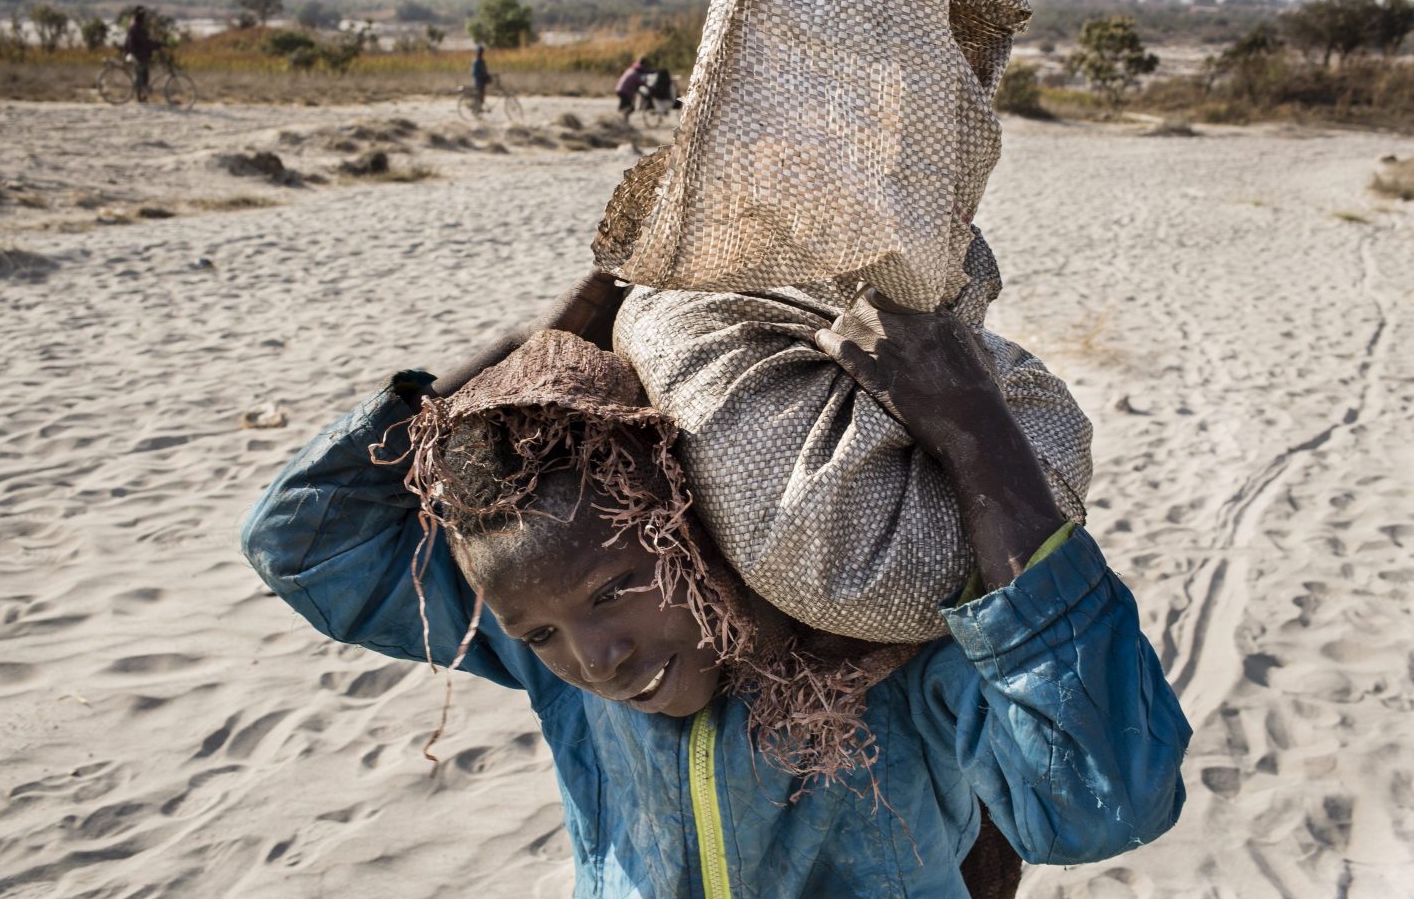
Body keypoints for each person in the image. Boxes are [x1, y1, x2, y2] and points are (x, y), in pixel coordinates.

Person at [242, 267, 1191, 898]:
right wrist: (531, 351)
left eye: (614, 587)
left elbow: (1105, 800)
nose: (597, 658)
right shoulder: (555, 666)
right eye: (541, 634)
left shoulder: (895, 668)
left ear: (688, 527)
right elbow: (295, 541)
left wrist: (976, 431)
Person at [122, 6, 159, 103]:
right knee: (142, 73)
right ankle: (139, 94)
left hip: (138, 53)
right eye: (144, 17)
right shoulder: (136, 28)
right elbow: (144, 42)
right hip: (137, 54)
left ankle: (141, 95)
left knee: (144, 73)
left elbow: (145, 40)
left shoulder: (135, 26)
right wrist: (156, 45)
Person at [615, 56, 648, 121]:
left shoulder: (629, 70)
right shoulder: (635, 74)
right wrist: (648, 86)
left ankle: (620, 119)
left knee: (623, 106)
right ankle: (623, 119)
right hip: (625, 92)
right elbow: (641, 82)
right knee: (631, 107)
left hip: (619, 89)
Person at [470, 44, 493, 114]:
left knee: (482, 97)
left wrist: (487, 76)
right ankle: (475, 110)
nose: (481, 53)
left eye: (481, 52)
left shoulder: (482, 61)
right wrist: (483, 76)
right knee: (479, 97)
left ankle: (477, 109)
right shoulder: (476, 62)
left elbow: (485, 71)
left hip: (482, 82)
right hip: (478, 82)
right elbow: (474, 73)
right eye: (480, 52)